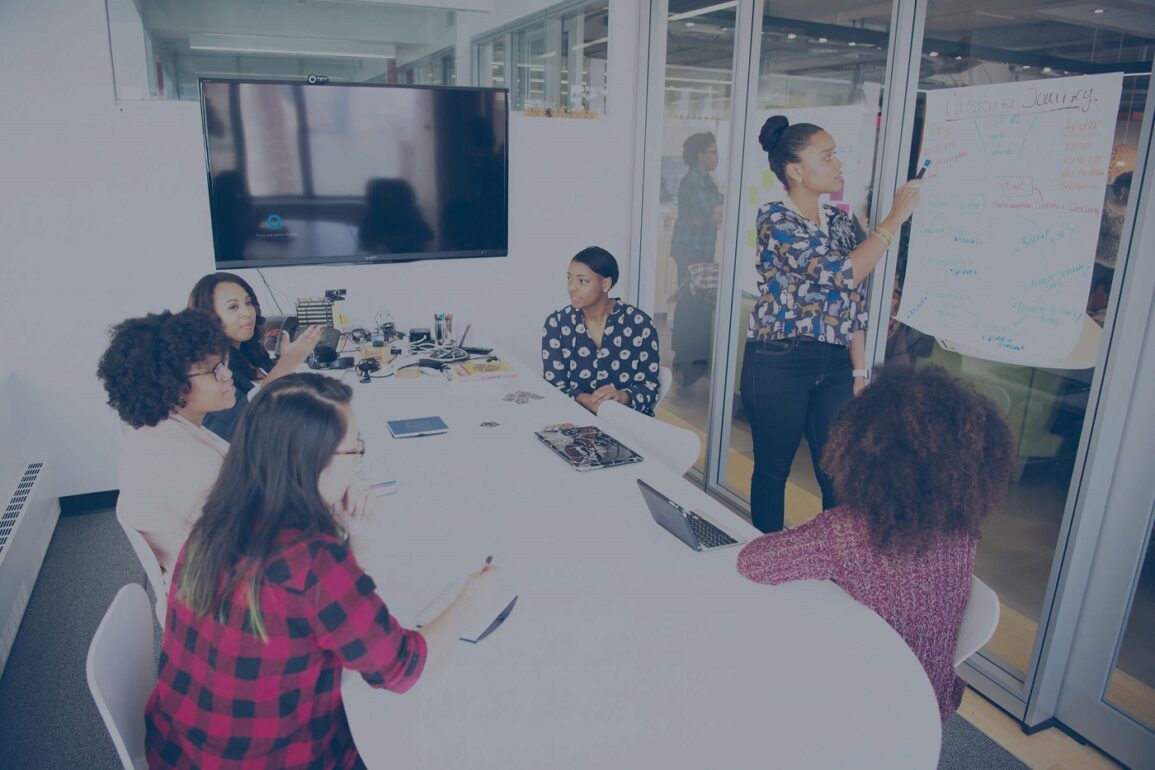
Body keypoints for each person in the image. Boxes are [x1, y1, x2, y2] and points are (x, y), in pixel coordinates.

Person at [145, 373, 500, 768]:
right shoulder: (311, 561)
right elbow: (404, 668)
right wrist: (471, 600)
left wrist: (357, 544)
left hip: (179, 751)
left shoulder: (216, 521)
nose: (360, 460)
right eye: (355, 449)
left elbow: (318, 616)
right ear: (315, 464)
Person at [736, 364, 1016, 722]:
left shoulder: (846, 532)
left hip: (864, 707)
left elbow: (753, 562)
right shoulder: (961, 530)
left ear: (864, 452)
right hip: (930, 703)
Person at [741, 115, 922, 533]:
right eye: (827, 157)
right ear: (795, 171)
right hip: (779, 359)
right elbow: (843, 274)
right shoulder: (775, 219)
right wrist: (894, 218)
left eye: (836, 155)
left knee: (838, 474)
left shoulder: (840, 221)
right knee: (773, 470)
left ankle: (834, 560)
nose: (838, 164)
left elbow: (851, 300)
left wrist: (858, 371)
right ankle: (766, 556)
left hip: (836, 363)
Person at [97, 310, 236, 577]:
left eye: (223, 362)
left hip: (203, 569)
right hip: (218, 586)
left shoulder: (155, 431)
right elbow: (247, 540)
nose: (227, 374)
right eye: (212, 370)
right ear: (170, 385)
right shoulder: (181, 458)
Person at [188, 272, 323, 439]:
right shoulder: (210, 372)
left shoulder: (256, 357)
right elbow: (236, 426)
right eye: (233, 307)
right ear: (208, 317)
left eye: (248, 303)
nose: (247, 312)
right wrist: (286, 364)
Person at [542, 246, 662, 415]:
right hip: (574, 419)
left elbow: (650, 388)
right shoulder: (557, 324)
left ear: (605, 283)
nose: (572, 287)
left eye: (582, 281)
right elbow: (553, 386)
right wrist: (585, 400)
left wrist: (622, 397)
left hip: (626, 421)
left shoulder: (639, 324)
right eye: (569, 278)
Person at [670, 132, 724, 386]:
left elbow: (716, 211)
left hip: (701, 248)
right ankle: (685, 359)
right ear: (701, 155)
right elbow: (712, 215)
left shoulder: (707, 180)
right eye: (713, 152)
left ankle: (686, 359)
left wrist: (712, 213)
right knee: (689, 300)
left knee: (693, 301)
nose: (717, 156)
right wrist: (711, 214)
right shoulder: (693, 181)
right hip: (689, 248)